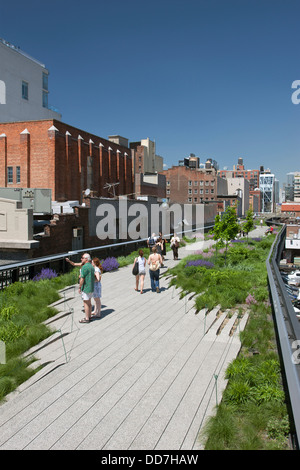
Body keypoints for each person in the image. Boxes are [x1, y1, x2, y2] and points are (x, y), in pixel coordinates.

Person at [78, 253, 95, 323]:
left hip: (86, 287)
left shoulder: (84, 267)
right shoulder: (91, 266)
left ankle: (87, 318)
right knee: (89, 302)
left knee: (85, 303)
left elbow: (82, 279)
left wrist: (79, 287)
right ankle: (90, 316)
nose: (81, 259)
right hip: (91, 287)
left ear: (86, 259)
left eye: (82, 258)